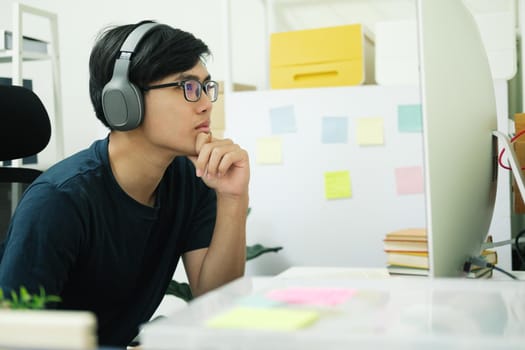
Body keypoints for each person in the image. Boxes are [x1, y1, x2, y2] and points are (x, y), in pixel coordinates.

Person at [0, 20, 250, 347]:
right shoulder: (60, 201)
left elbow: (215, 300)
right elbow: (15, 336)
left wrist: (233, 197)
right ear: (124, 101)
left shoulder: (191, 180)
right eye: (188, 87)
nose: (205, 103)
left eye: (206, 87)